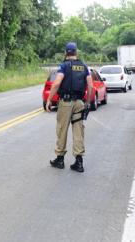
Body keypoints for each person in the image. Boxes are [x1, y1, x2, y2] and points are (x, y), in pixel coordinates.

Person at [45, 42, 93, 173]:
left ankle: (60, 160)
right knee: (78, 131)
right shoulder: (84, 66)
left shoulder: (64, 66)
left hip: (65, 103)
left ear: (66, 53)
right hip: (79, 103)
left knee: (62, 129)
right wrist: (87, 102)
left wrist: (49, 99)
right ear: (76, 52)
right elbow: (90, 86)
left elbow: (57, 83)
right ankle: (79, 162)